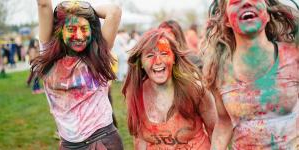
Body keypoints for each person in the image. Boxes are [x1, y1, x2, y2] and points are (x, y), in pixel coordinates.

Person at [203, 0, 299, 149]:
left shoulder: (294, 56)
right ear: (226, 20)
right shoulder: (218, 70)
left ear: (267, 14)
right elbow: (224, 121)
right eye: (235, 1)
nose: (246, 2)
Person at [31, 0, 123, 149]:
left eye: (84, 28)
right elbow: (43, 4)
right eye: (71, 29)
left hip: (102, 140)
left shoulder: (98, 55)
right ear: (60, 30)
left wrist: (81, 9)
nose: (79, 35)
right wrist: (69, 12)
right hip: (68, 145)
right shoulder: (48, 53)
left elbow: (114, 11)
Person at [122, 29, 216, 149]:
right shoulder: (135, 93)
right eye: (150, 55)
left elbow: (216, 130)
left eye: (164, 53)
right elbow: (140, 139)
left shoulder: (194, 89)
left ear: (174, 58)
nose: (158, 61)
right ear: (141, 62)